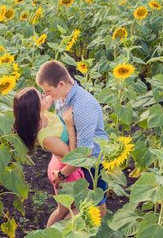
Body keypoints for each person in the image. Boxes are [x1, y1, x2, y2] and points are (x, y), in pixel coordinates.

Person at [35, 60, 109, 215]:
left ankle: (72, 235)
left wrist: (62, 174)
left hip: (92, 163)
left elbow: (85, 154)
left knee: (96, 208)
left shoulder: (82, 107)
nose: (47, 96)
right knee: (79, 208)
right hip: (72, 160)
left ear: (61, 84)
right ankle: (68, 236)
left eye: (48, 91)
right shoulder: (62, 97)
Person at [13, 86, 85, 227]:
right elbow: (72, 156)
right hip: (66, 171)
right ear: (36, 107)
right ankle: (60, 235)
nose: (45, 96)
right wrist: (70, 127)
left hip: (58, 164)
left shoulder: (42, 115)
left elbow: (51, 97)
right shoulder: (46, 137)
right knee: (79, 206)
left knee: (63, 209)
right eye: (41, 96)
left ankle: (50, 236)